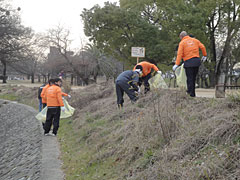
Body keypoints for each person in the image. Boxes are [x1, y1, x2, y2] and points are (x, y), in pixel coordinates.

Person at [173, 31, 207, 97]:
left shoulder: (182, 43)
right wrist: (204, 55)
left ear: (181, 37)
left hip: (189, 62)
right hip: (196, 61)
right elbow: (202, 47)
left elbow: (179, 54)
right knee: (193, 78)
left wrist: (176, 64)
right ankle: (192, 93)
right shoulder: (195, 40)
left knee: (189, 78)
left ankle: (190, 93)